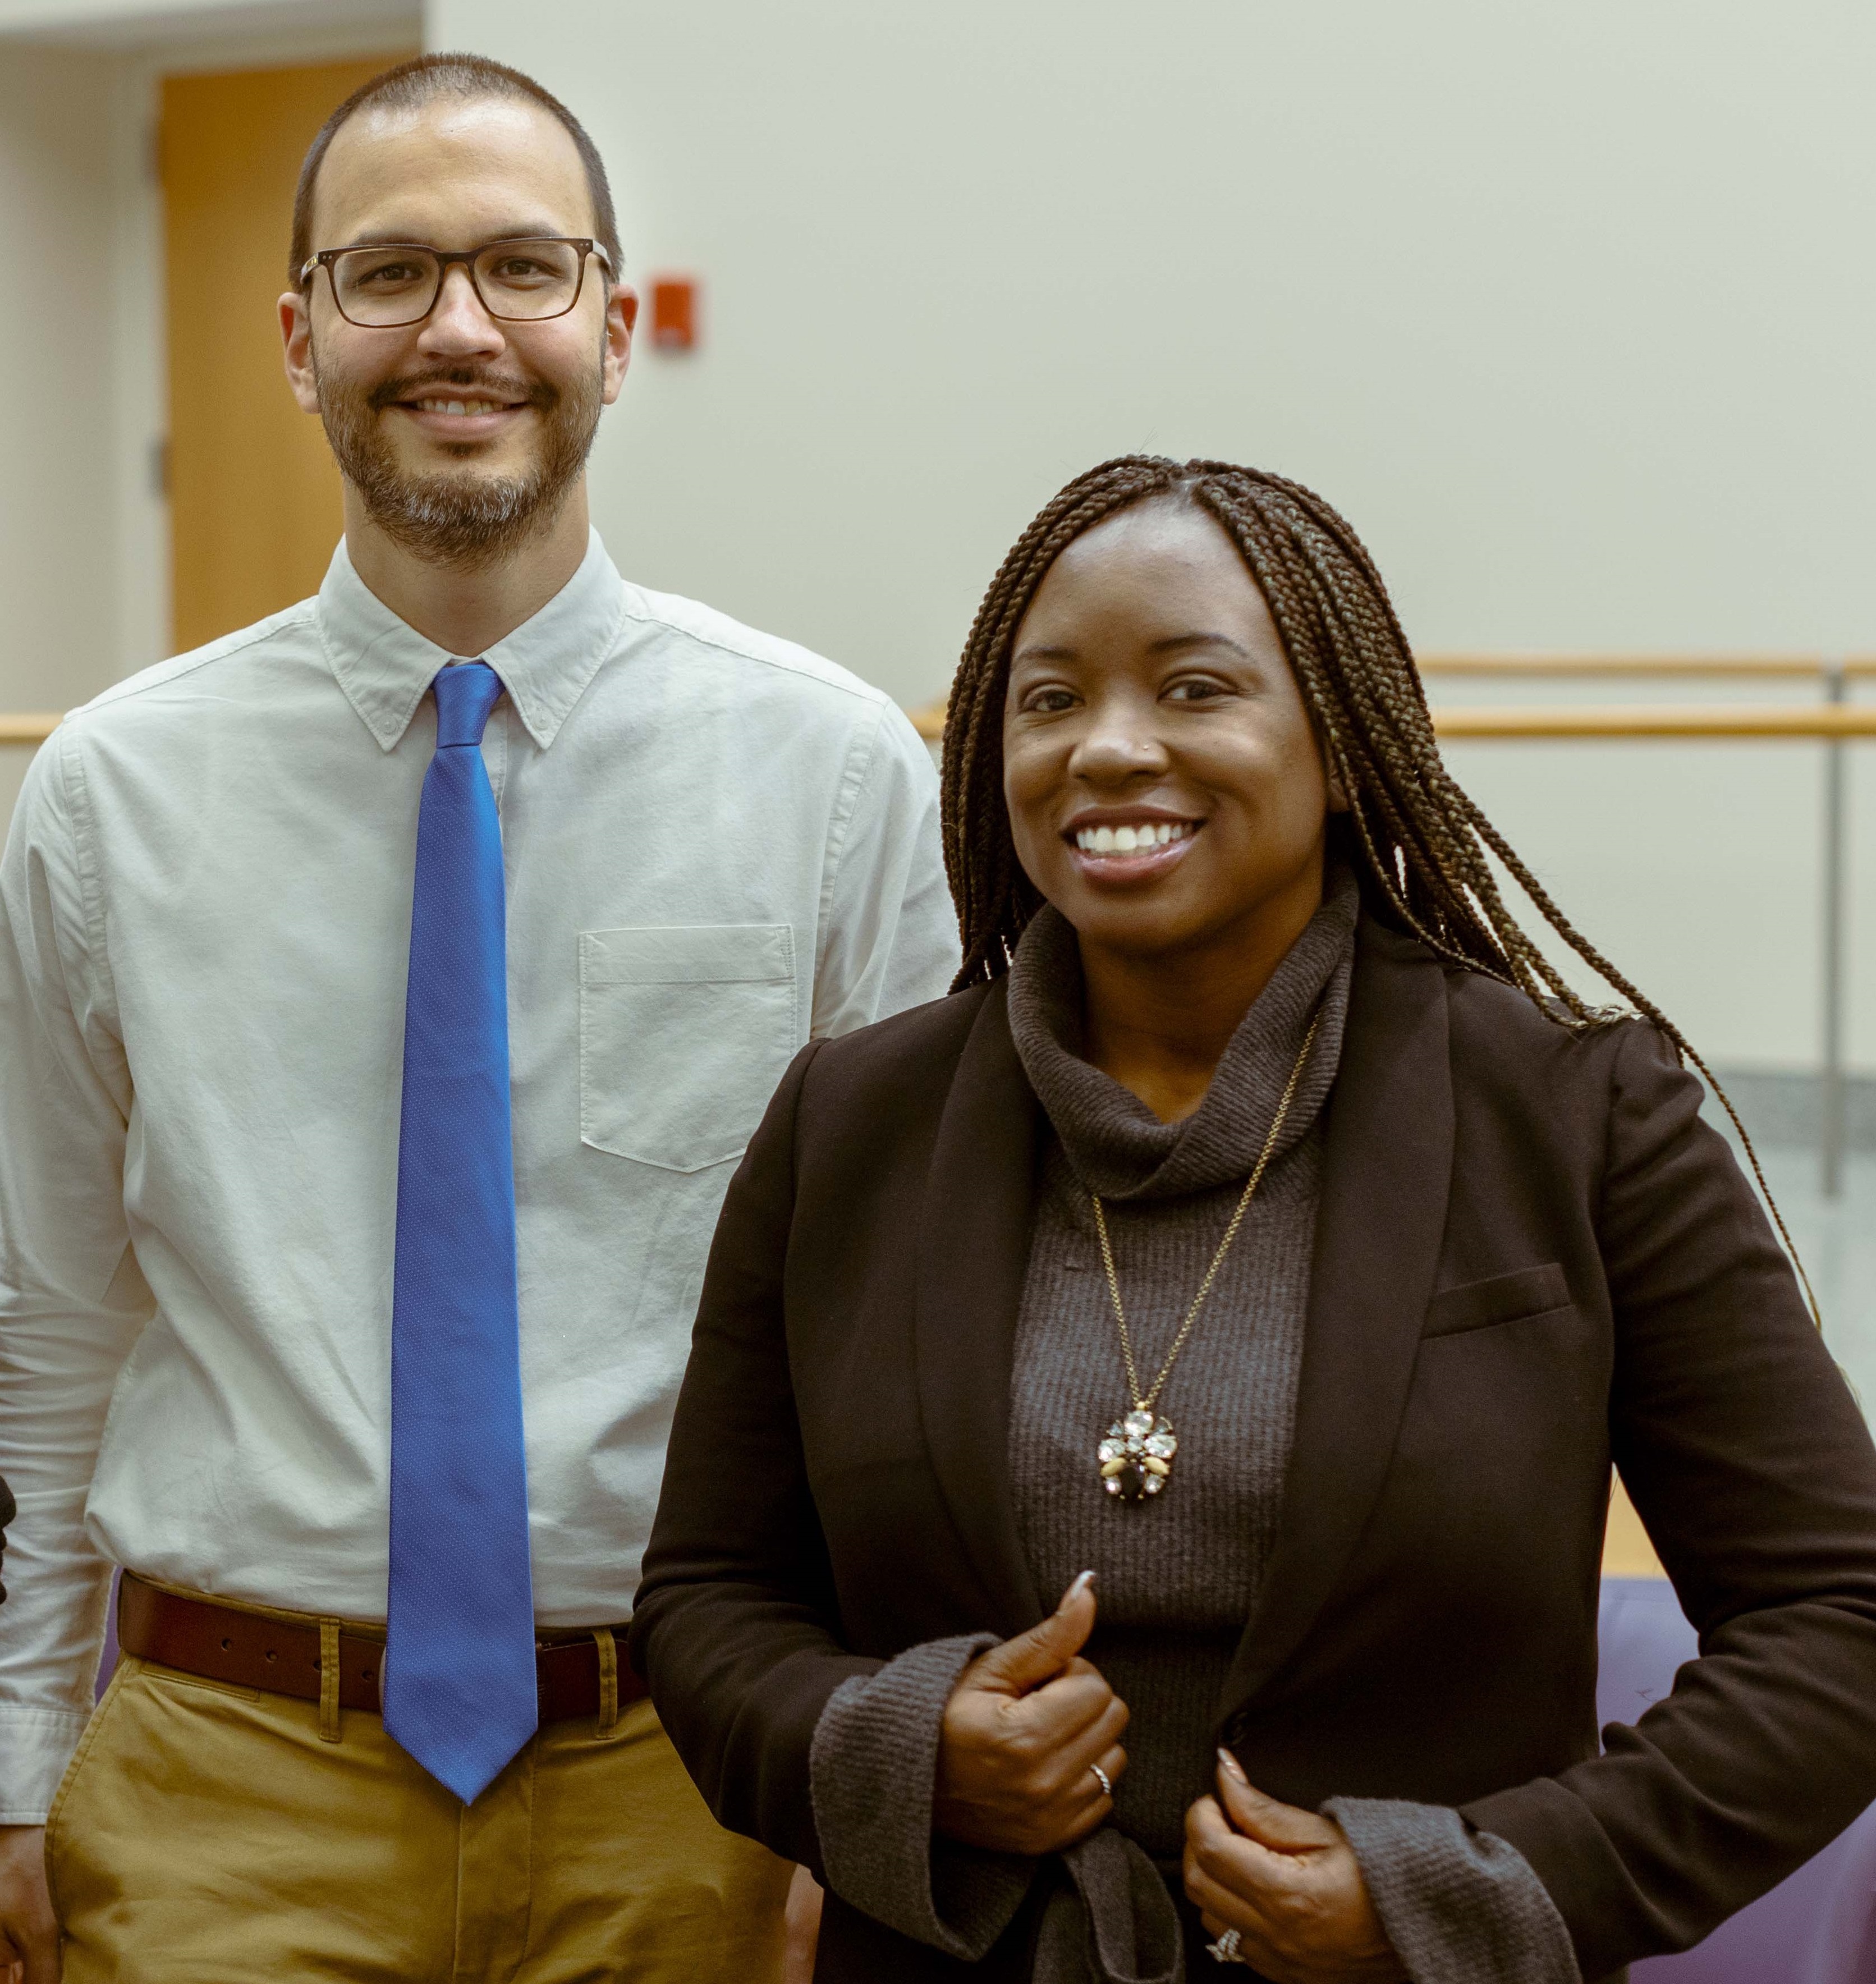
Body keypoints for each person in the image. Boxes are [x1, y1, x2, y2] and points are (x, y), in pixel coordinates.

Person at [632, 455, 1876, 1983]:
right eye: (1049, 701)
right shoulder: (853, 1124)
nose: (1108, 748)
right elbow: (706, 1602)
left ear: (1342, 752)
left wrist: (1464, 1898)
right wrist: (895, 1754)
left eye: (1195, 687)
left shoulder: (1572, 1113)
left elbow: (1839, 1620)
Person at [0, 52, 955, 1984]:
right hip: (224, 1787)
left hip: (692, 1776)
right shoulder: (111, 798)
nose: (459, 329)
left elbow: (915, 1343)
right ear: (297, 337)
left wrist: (861, 1779)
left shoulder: (832, 777)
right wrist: (18, 1762)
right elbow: (52, 1314)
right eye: (388, 275)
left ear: (614, 324)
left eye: (526, 270)